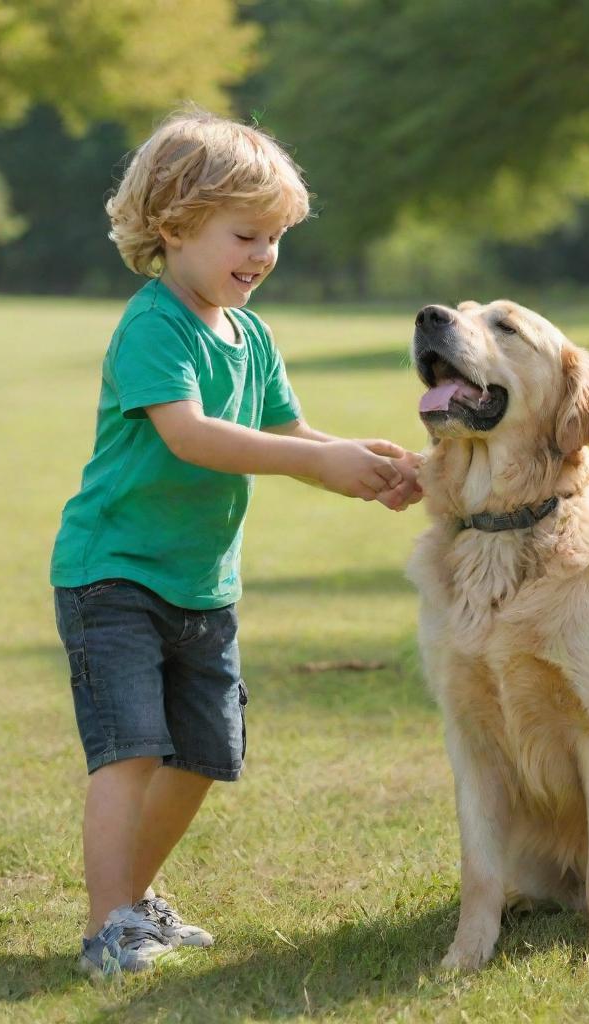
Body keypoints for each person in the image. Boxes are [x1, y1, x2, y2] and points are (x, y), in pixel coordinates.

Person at [50, 106, 423, 979]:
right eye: (247, 235)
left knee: (205, 757)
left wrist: (359, 459)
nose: (263, 256)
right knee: (131, 754)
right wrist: (314, 458)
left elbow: (286, 428)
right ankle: (109, 927)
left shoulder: (250, 333)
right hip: (115, 575)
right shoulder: (155, 325)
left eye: (276, 239)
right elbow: (192, 435)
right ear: (175, 227)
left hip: (203, 586)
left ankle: (135, 904)